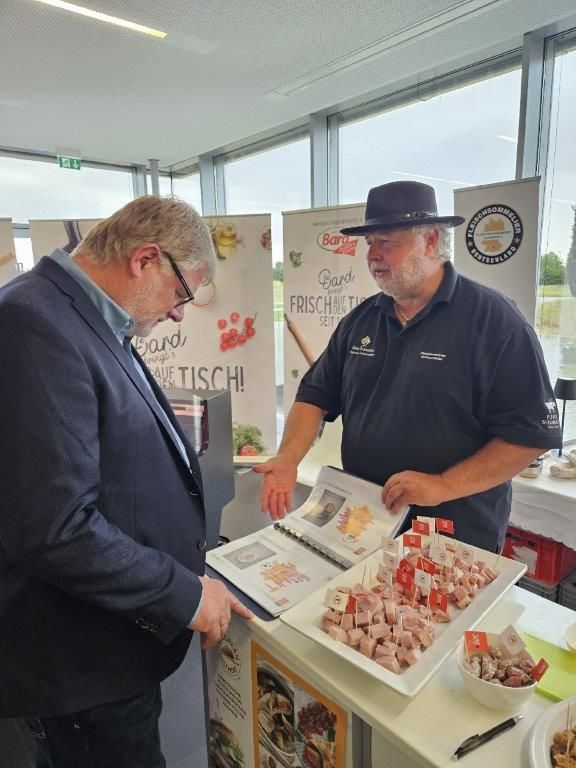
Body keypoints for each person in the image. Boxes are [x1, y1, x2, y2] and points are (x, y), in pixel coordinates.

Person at [0, 195, 253, 768]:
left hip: (115, 639)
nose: (179, 314)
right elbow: (53, 528)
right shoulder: (32, 322)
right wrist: (185, 593)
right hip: (81, 665)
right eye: (182, 294)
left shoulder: (89, 317)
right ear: (144, 260)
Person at [255, 181, 561, 552]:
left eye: (386, 241)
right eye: (370, 243)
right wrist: (288, 458)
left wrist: (444, 484)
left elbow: (529, 436)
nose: (372, 255)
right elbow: (314, 396)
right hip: (365, 523)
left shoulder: (494, 322)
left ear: (430, 240)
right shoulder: (361, 320)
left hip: (453, 537)